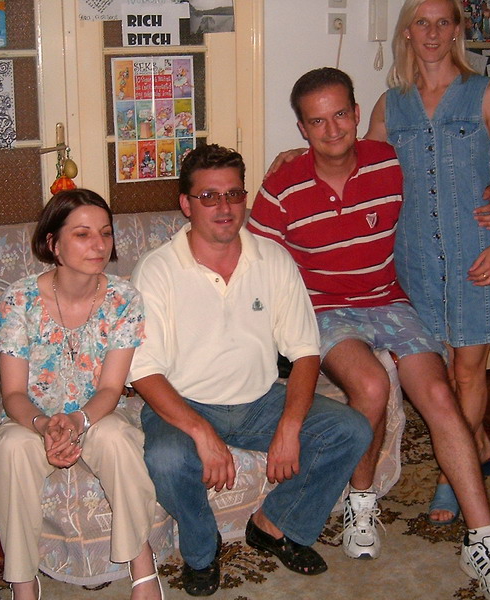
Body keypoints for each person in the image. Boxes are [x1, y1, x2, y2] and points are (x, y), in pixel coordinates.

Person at [249, 67, 490, 599]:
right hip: (324, 309)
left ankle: (485, 542)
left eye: (340, 115)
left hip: (388, 300)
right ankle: (362, 502)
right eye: (317, 121)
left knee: (440, 395)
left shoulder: (389, 162)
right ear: (302, 129)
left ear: (357, 114)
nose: (332, 129)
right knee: (373, 386)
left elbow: (447, 189)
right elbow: (253, 261)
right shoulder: (283, 184)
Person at [129, 143, 372, 597]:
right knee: (166, 458)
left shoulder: (273, 259)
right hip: (184, 403)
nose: (224, 207)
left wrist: (291, 424)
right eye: (209, 196)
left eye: (234, 194)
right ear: (186, 204)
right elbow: (143, 371)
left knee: (351, 430)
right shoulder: (157, 270)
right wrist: (202, 432)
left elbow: (305, 352)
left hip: (260, 400)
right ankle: (201, 550)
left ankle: (274, 525)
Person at [367, 0, 490, 531]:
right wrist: (292, 159)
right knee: (434, 373)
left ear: (457, 30)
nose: (433, 33)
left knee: (467, 371)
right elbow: (358, 170)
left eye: (443, 22)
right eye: (422, 22)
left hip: (476, 253)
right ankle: (477, 444)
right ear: (407, 33)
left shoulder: (486, 94)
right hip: (414, 259)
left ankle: (451, 478)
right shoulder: (391, 107)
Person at [0, 189, 162, 600]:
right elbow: (12, 392)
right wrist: (44, 425)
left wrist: (79, 420)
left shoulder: (123, 299)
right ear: (53, 244)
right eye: (82, 234)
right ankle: (23, 582)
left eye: (105, 233)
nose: (99, 245)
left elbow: (111, 388)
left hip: (96, 414)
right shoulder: (19, 300)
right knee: (11, 450)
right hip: (31, 419)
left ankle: (141, 565)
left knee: (119, 441)